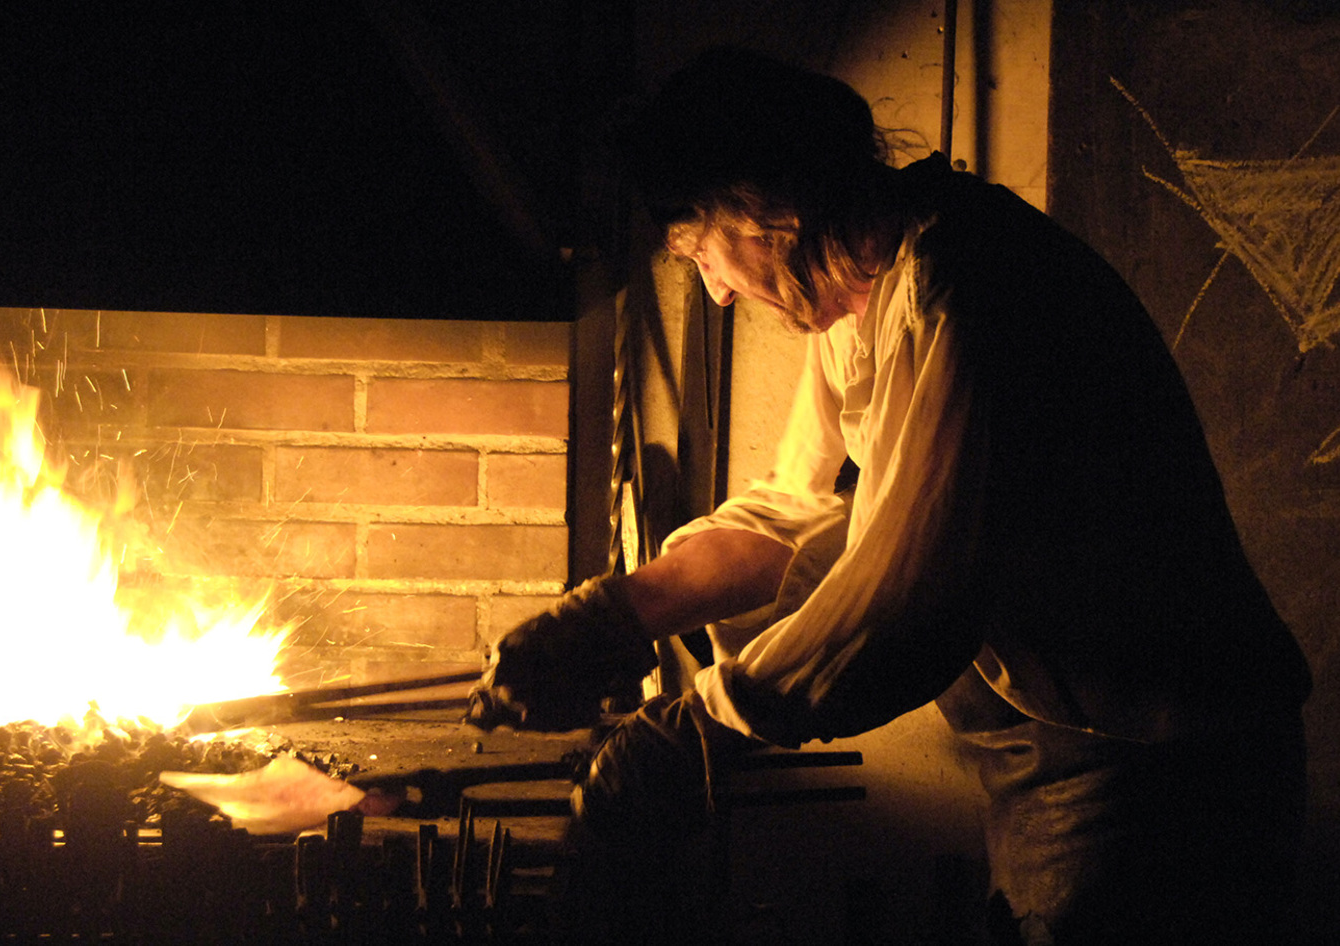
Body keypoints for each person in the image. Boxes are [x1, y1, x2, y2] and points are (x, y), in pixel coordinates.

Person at [469, 48, 1312, 945]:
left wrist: (697, 730)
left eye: (699, 250)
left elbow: (909, 591)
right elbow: (796, 516)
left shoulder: (967, 284)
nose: (714, 289)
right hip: (1054, 759)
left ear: (766, 208)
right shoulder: (858, 310)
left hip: (1161, 766)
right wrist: (613, 614)